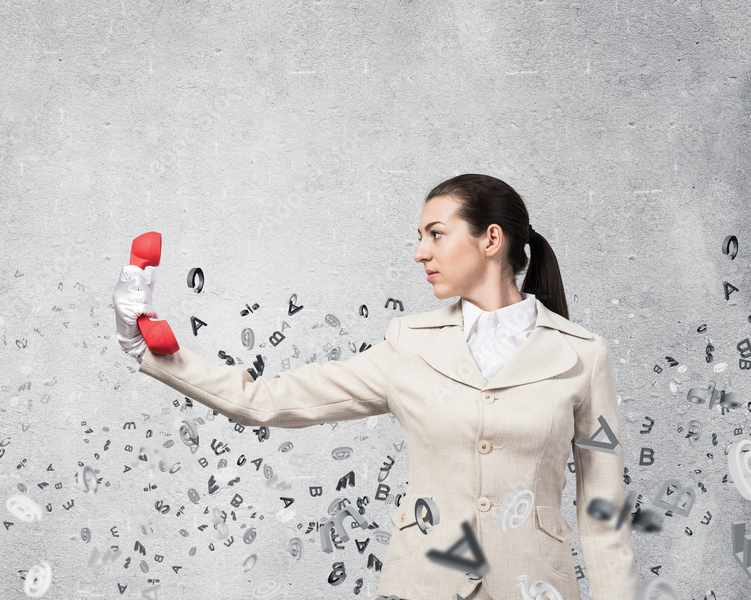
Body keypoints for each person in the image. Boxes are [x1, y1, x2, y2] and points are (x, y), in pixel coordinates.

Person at [112, 174, 640, 600]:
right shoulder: (408, 344)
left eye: (436, 233)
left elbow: (604, 514)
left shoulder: (582, 354)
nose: (419, 252)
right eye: (420, 236)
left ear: (491, 239)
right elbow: (266, 400)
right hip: (423, 586)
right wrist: (147, 349)